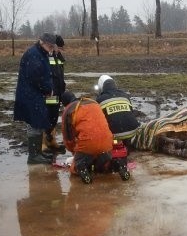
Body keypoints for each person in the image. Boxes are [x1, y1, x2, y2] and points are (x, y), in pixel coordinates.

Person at [13, 33, 56, 164]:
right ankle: (34, 156)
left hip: (34, 94)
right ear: (42, 42)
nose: (51, 49)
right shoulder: (34, 55)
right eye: (49, 46)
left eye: (52, 47)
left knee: (37, 123)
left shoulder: (39, 53)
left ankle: (37, 153)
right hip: (30, 95)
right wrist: (48, 90)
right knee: (35, 123)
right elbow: (36, 78)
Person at [59, 91, 113, 184]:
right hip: (107, 142)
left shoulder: (69, 110)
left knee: (75, 169)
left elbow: (68, 138)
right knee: (99, 165)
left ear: (65, 103)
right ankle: (103, 164)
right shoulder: (93, 102)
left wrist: (74, 152)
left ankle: (81, 168)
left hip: (88, 143)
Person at [93, 74, 140, 143]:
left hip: (114, 138)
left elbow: (98, 121)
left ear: (101, 87)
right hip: (133, 134)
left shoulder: (99, 100)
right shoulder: (125, 95)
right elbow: (131, 112)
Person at [43, 34, 67, 155]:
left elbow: (59, 74)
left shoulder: (58, 57)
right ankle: (43, 143)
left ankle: (51, 141)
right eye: (60, 48)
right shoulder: (46, 56)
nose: (61, 50)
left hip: (58, 91)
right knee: (46, 116)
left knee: (53, 117)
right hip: (49, 92)